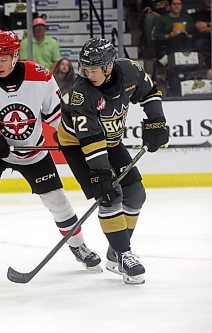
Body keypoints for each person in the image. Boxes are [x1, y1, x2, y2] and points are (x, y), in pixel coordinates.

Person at [0, 30, 102, 280]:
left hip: (32, 150)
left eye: (4, 58)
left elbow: (56, 113)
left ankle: (78, 246)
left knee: (58, 201)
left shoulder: (40, 76)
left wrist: (70, 135)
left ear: (16, 56)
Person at [58, 38, 169, 284]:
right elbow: (91, 138)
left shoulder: (130, 70)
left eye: (93, 69)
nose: (88, 73)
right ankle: (124, 254)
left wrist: (156, 121)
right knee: (109, 195)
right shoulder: (81, 94)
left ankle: (116, 251)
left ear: (109, 66)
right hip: (79, 146)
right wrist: (100, 174)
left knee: (136, 194)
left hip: (110, 140)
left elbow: (150, 92)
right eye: (84, 69)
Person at [193, 0, 211, 67]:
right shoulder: (199, 13)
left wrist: (206, 24)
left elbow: (203, 27)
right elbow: (199, 28)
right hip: (204, 39)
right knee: (199, 43)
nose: (209, 1)